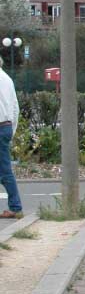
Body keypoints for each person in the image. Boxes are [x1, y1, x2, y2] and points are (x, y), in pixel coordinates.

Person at [0, 56, 22, 219]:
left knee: (4, 170)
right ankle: (15, 206)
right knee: (5, 167)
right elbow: (15, 107)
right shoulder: (7, 79)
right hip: (6, 126)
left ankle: (15, 206)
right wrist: (11, 130)